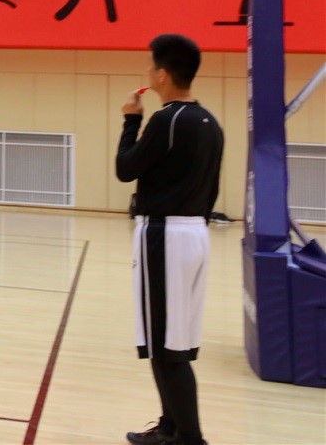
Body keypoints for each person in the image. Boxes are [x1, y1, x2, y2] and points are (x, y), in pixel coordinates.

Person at [116, 34, 223, 445]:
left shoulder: (167, 120)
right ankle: (170, 427)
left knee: (165, 346)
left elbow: (126, 168)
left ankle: (189, 438)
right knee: (173, 341)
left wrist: (130, 120)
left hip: (165, 235)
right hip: (195, 234)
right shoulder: (210, 122)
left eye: (151, 66)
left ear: (161, 75)